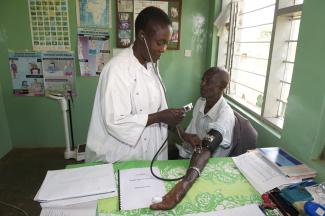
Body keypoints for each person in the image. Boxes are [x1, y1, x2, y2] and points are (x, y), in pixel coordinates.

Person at [85, 6, 185, 163]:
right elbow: (117, 121)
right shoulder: (117, 70)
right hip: (121, 156)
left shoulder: (151, 64)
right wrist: (160, 117)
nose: (164, 49)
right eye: (160, 42)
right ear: (142, 36)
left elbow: (158, 110)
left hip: (150, 152)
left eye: (166, 43)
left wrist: (183, 134)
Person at [150, 67, 235, 210]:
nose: (202, 84)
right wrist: (183, 134)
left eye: (208, 82)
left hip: (210, 168)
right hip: (193, 163)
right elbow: (192, 138)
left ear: (221, 87)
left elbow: (207, 147)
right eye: (203, 79)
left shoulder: (225, 115)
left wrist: (183, 186)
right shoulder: (201, 102)